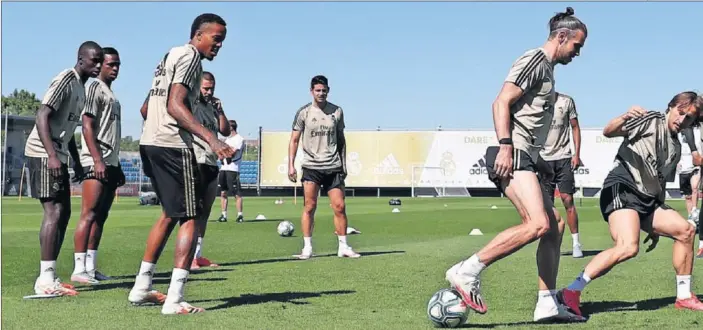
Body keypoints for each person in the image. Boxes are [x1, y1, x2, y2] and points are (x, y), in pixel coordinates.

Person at [444, 7, 587, 322]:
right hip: (513, 154)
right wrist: (507, 146)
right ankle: (466, 271)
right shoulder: (535, 60)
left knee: (554, 227)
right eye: (577, 45)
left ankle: (547, 303)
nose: (578, 53)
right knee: (538, 224)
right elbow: (501, 101)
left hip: (526, 158)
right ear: (562, 36)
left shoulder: (548, 70)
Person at [559, 93, 703, 316]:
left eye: (689, 119)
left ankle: (684, 296)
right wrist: (625, 116)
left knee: (686, 231)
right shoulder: (651, 120)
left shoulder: (674, 147)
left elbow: (659, 183)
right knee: (628, 246)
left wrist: (656, 224)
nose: (682, 120)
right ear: (671, 107)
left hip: (648, 199)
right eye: (681, 113)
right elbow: (609, 131)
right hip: (622, 187)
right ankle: (570, 292)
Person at [128, 13, 233, 315]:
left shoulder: (169, 56)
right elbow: (175, 104)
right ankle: (175, 299)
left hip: (151, 142)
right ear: (199, 35)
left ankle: (142, 286)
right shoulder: (190, 59)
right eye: (217, 39)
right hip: (173, 145)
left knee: (169, 214)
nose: (219, 46)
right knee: (191, 215)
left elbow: (148, 107)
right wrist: (212, 141)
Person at [23, 41, 103, 297]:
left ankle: (51, 274)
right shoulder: (66, 79)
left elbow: (68, 130)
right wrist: (51, 155)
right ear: (81, 59)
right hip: (43, 152)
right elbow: (42, 115)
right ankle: (45, 279)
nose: (98, 65)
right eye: (95, 61)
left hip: (58, 154)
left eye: (101, 61)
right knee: (53, 211)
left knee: (65, 212)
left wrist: (76, 162)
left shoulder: (82, 87)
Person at [288, 75, 360, 260]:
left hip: (333, 166)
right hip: (312, 167)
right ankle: (307, 248)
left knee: (339, 206)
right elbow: (294, 140)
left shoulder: (337, 111)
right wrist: (291, 165)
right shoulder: (303, 112)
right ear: (311, 91)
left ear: (328, 90)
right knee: (310, 206)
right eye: (317, 90)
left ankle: (343, 246)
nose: (321, 93)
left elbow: (341, 139)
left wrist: (343, 164)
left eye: (324, 90)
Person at [71, 47, 126, 284]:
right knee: (89, 213)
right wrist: (97, 159)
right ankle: (79, 268)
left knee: (101, 215)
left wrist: (116, 164)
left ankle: (91, 267)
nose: (114, 68)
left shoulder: (112, 95)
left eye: (117, 65)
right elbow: (87, 125)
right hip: (96, 159)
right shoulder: (93, 87)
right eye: (110, 64)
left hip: (110, 161)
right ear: (100, 65)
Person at [191, 71, 231, 269]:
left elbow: (225, 131)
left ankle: (198, 255)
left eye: (211, 88)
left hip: (211, 161)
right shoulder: (191, 103)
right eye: (205, 88)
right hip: (195, 159)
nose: (208, 92)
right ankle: (188, 257)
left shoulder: (212, 107)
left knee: (205, 211)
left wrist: (220, 110)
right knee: (194, 211)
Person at [539, 92, 584, 258]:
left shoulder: (566, 101)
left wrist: (576, 154)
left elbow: (575, 127)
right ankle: (550, 243)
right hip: (543, 159)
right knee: (547, 204)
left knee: (567, 200)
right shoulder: (536, 102)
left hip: (564, 157)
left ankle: (576, 243)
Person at [216, 119, 244, 223]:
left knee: (236, 193)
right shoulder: (227, 140)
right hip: (223, 168)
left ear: (231, 127)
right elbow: (220, 153)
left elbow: (232, 152)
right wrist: (222, 153)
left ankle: (240, 215)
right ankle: (223, 215)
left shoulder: (239, 139)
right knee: (223, 192)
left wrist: (225, 153)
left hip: (233, 169)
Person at [677, 125, 702, 225]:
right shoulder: (677, 135)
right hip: (683, 167)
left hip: (694, 164)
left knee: (695, 188)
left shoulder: (697, 131)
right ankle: (690, 216)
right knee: (687, 196)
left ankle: (695, 210)